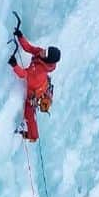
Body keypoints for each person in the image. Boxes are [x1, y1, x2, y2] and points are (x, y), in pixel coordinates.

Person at [8, 13, 60, 142]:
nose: (43, 51)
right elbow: (29, 48)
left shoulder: (38, 71)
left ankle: (32, 136)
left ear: (48, 59)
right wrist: (20, 36)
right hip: (42, 85)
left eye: (46, 52)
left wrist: (14, 65)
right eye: (46, 49)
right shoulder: (43, 55)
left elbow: (24, 75)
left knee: (28, 111)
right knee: (29, 110)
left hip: (36, 91)